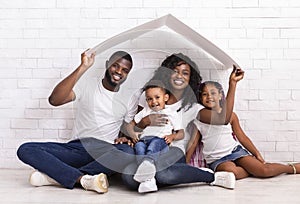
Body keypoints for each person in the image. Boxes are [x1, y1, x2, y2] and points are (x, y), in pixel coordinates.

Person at [17, 50, 140, 193]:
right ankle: (82, 178)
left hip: (104, 152)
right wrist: (83, 67)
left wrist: (127, 137)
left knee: (128, 151)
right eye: (115, 66)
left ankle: (59, 177)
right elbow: (55, 100)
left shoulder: (129, 99)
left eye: (125, 70)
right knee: (26, 149)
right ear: (107, 65)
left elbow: (127, 128)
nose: (119, 71)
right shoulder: (87, 85)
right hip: (78, 148)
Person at [120, 53, 243, 193]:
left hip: (173, 150)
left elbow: (223, 119)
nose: (179, 76)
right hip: (147, 147)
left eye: (185, 73)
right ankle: (175, 175)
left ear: (190, 79)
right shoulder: (151, 95)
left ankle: (209, 176)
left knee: (163, 174)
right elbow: (135, 126)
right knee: (129, 178)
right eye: (175, 71)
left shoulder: (193, 107)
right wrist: (145, 122)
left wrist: (232, 84)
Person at [187, 80, 300, 180]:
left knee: (265, 171)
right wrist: (185, 164)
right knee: (232, 172)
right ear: (201, 98)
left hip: (234, 151)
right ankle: (254, 170)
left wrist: (257, 154)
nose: (209, 97)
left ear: (221, 95)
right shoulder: (200, 116)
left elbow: (242, 137)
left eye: (213, 93)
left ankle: (291, 167)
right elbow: (193, 143)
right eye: (205, 94)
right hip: (217, 159)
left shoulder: (231, 116)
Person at [126, 79, 184, 192]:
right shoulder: (145, 111)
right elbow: (130, 125)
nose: (153, 102)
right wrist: (132, 134)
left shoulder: (171, 113)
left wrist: (172, 137)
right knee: (138, 147)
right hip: (144, 140)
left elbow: (181, 133)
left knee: (154, 144)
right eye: (149, 99)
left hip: (160, 141)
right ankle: (148, 180)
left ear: (165, 98)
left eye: (157, 97)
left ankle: (147, 166)